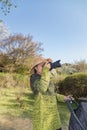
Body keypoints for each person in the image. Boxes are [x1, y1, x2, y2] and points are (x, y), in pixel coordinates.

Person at [30, 57, 72, 130]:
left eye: (44, 65)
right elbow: (42, 89)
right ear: (35, 68)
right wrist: (46, 71)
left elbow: (52, 94)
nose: (44, 67)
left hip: (53, 114)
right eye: (41, 66)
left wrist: (64, 97)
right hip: (42, 114)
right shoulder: (34, 78)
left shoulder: (46, 77)